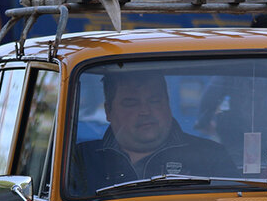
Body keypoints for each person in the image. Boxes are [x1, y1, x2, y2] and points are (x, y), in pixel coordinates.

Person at [71, 71, 236, 193]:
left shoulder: (211, 157)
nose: (145, 111)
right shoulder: (80, 160)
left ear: (168, 103)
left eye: (154, 100)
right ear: (108, 111)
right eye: (131, 103)